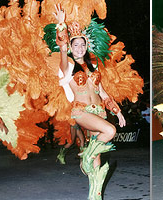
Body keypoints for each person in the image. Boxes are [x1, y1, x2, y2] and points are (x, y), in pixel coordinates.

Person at [54, 4, 126, 199]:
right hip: (82, 112)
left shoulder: (93, 67)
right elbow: (61, 49)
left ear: (87, 46)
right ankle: (86, 155)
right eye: (75, 45)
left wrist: (117, 111)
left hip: (99, 112)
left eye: (82, 44)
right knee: (110, 131)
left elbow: (102, 92)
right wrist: (61, 25)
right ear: (71, 46)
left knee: (98, 161)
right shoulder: (67, 66)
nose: (79, 48)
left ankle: (95, 195)